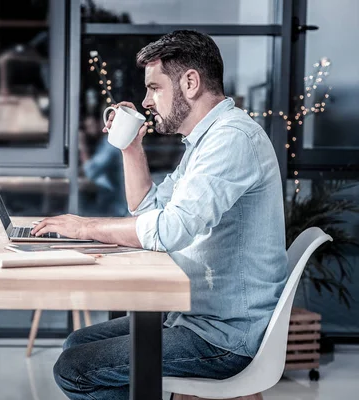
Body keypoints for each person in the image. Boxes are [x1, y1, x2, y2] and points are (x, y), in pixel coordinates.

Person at [31, 30, 288, 399]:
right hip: (197, 317)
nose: (146, 100)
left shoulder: (232, 139)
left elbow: (169, 230)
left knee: (75, 369)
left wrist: (83, 226)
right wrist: (131, 148)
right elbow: (150, 211)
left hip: (225, 336)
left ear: (190, 82)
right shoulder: (203, 143)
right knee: (76, 343)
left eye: (154, 88)